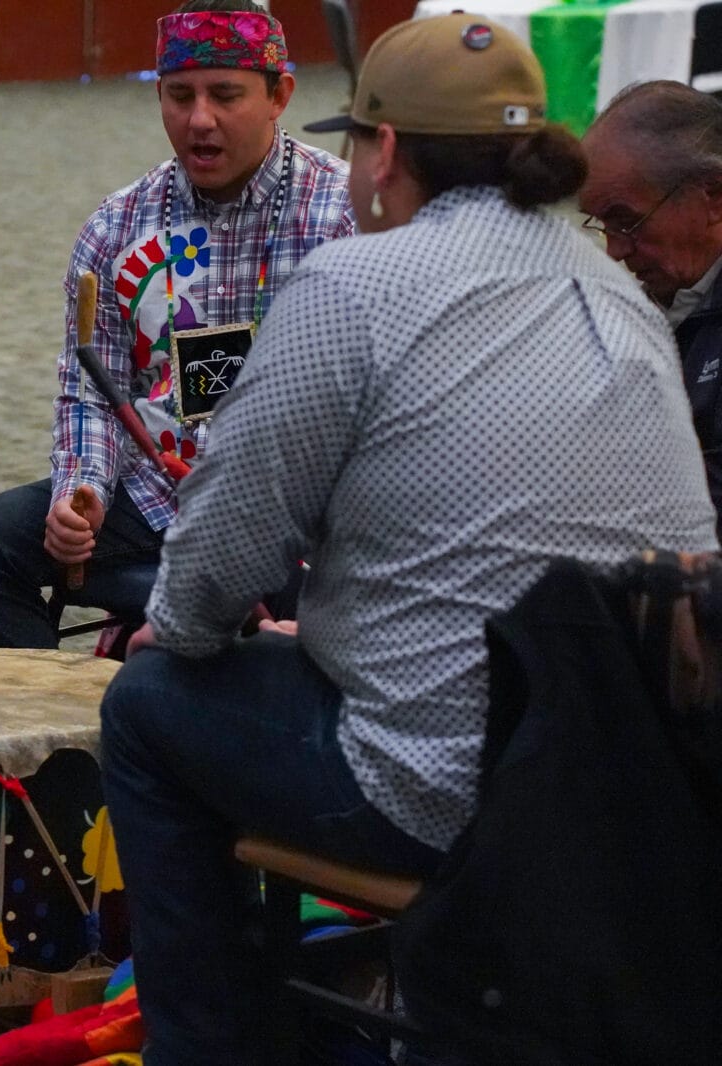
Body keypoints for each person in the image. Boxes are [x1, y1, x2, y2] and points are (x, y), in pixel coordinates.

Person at [97, 16, 717, 1061]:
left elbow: (218, 554)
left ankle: (210, 1045)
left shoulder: (350, 286)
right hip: (632, 775)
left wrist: (185, 628)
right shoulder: (624, 294)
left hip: (444, 788)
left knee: (150, 704)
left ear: (382, 153)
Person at [0, 0, 353, 649]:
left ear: (280, 95)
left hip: (291, 516)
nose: (199, 120)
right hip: (157, 494)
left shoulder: (345, 216)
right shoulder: (118, 225)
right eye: (178, 95)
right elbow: (91, 387)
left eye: (225, 95)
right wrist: (82, 493)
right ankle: (60, 747)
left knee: (331, 602)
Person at [581, 82, 722, 534]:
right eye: (602, 225)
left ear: (713, 197)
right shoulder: (656, 302)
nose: (615, 250)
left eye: (626, 220)